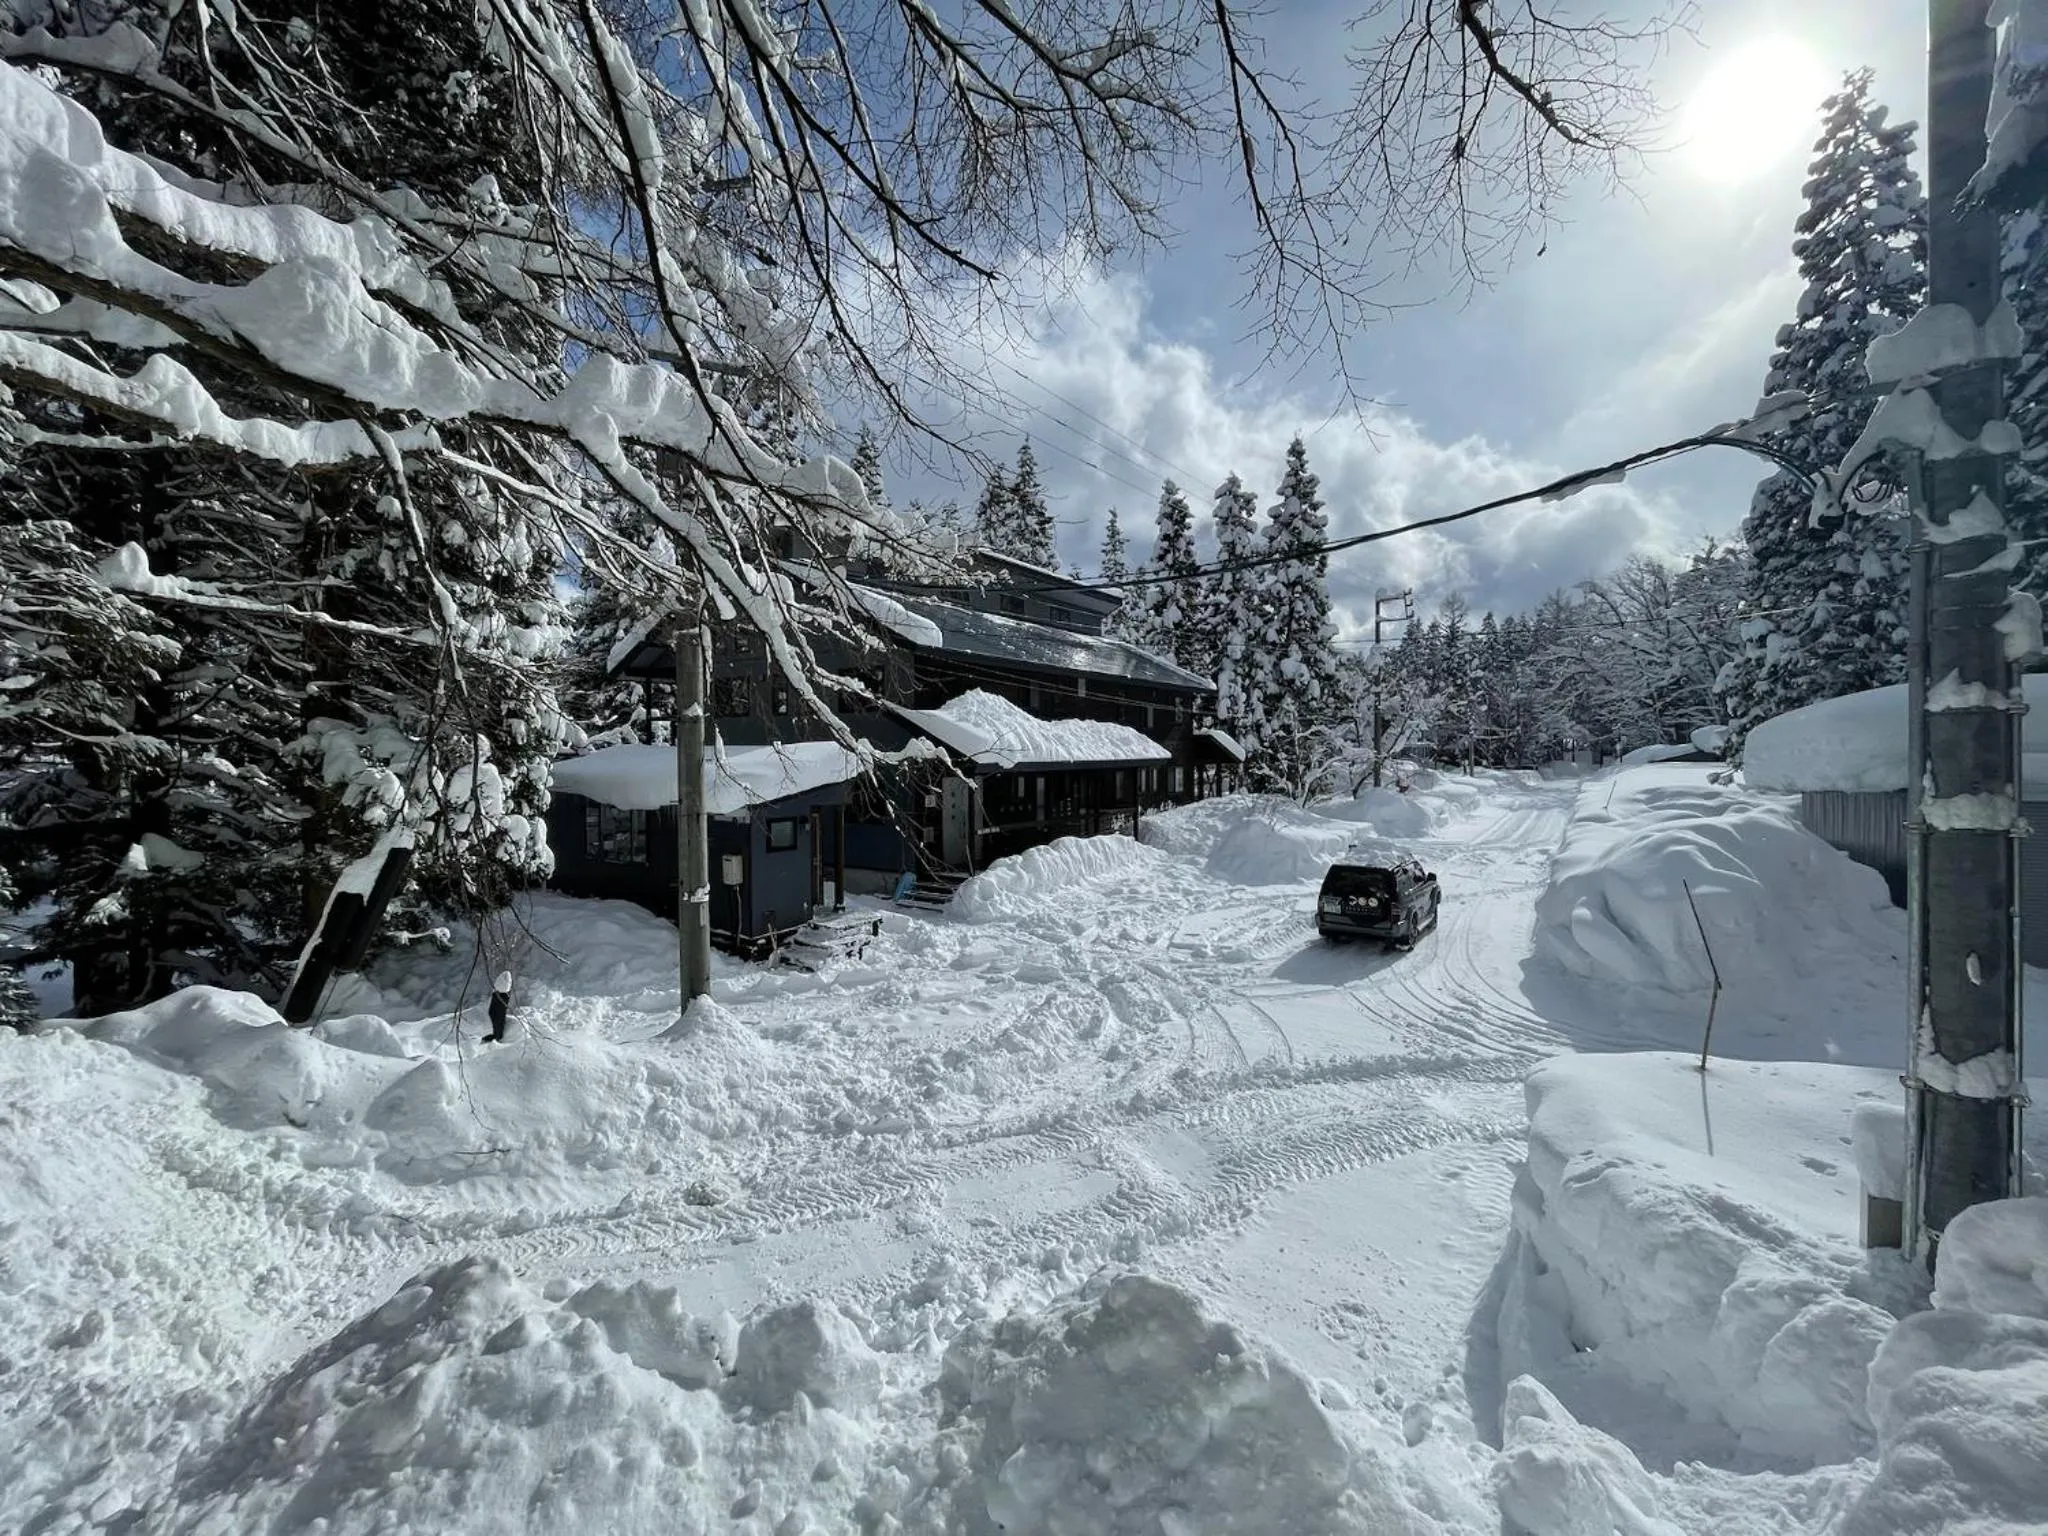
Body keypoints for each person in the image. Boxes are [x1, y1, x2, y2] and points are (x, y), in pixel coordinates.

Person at [487, 970, 512, 1043]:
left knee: (499, 1016)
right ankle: (497, 1034)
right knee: (494, 1013)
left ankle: (498, 1035)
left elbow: (501, 1016)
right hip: (499, 992)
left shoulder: (503, 994)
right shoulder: (505, 976)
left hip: (501, 993)